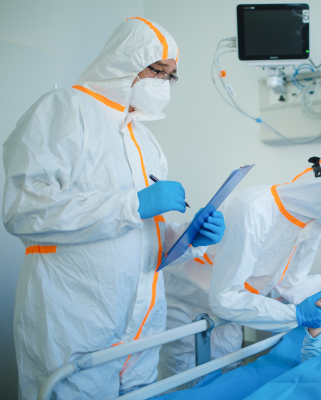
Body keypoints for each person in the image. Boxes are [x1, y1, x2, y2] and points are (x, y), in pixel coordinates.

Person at [3, 18, 224, 399]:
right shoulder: (65, 110)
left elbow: (139, 234)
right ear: (124, 62)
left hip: (140, 324)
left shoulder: (145, 138)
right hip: (75, 316)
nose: (162, 83)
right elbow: (23, 210)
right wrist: (131, 204)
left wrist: (185, 236)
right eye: (157, 70)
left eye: (170, 76)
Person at [157, 150, 321, 388]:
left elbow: (292, 282)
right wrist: (294, 315)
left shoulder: (311, 222)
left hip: (233, 313)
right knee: (184, 386)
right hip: (189, 306)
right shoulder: (255, 210)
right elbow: (224, 298)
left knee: (226, 380)